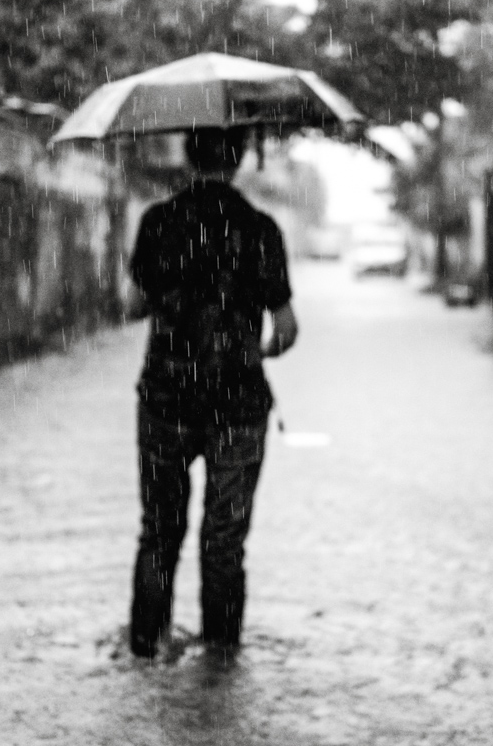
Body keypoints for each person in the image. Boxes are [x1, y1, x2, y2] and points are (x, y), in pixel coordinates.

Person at [128, 126, 299, 660]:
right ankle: (221, 661)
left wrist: (176, 301)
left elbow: (132, 308)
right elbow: (287, 329)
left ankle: (145, 648)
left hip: (166, 400)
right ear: (242, 157)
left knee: (159, 532)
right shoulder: (260, 229)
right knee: (223, 542)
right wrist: (254, 351)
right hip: (238, 404)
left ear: (186, 155)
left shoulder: (157, 222)